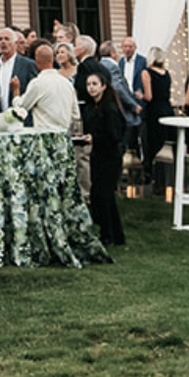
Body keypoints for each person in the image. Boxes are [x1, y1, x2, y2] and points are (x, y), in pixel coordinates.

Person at [80, 66, 128, 249]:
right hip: (98, 155)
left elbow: (114, 135)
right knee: (104, 196)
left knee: (102, 195)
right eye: (89, 84)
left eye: (95, 84)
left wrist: (95, 138)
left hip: (110, 157)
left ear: (103, 86)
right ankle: (117, 235)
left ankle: (107, 235)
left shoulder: (110, 108)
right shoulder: (93, 107)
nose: (91, 88)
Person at [14, 40, 80, 134]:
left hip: (45, 137)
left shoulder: (37, 84)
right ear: (53, 59)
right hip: (64, 136)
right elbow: (75, 115)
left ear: (36, 60)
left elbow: (21, 108)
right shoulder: (67, 83)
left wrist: (16, 92)